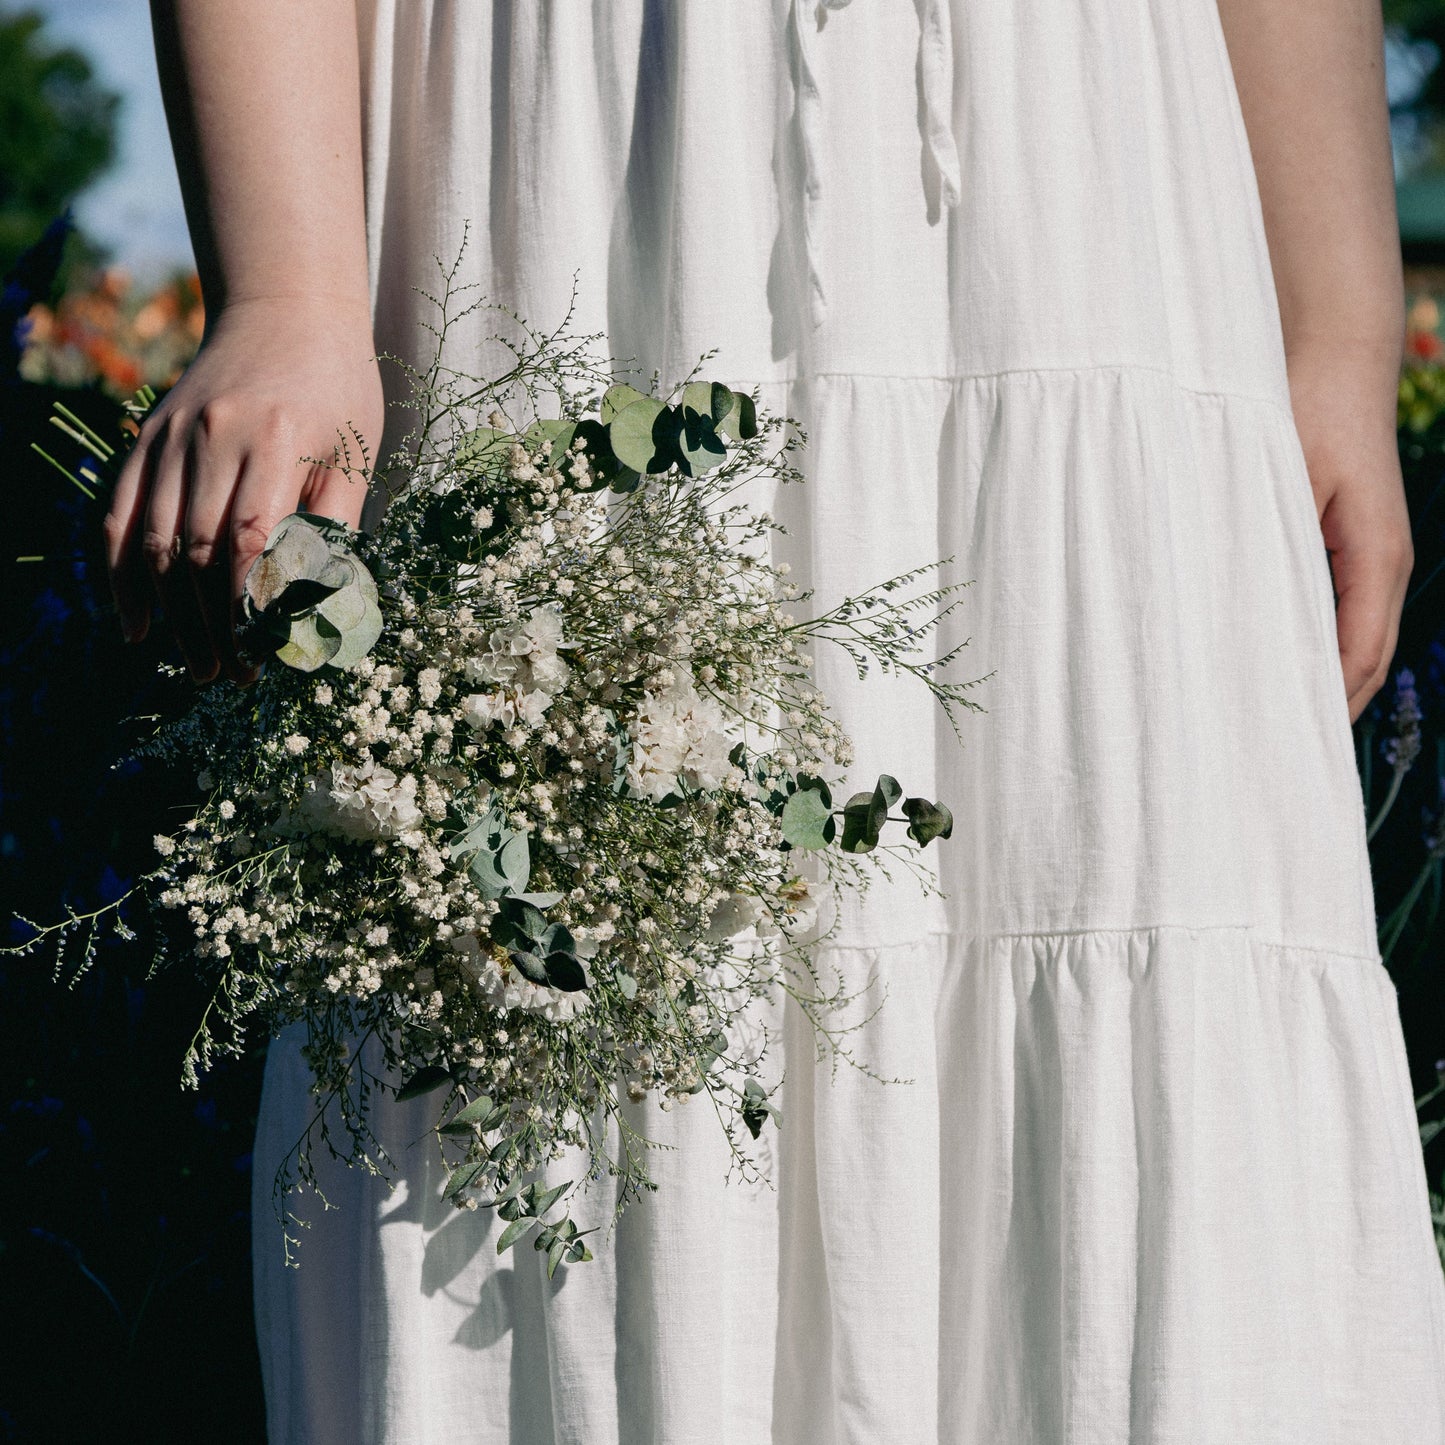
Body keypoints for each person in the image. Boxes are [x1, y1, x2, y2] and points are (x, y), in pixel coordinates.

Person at [110, 1, 1445, 1440]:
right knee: (560, 995)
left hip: (1098, 183)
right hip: (581, 158)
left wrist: (1338, 323)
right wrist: (290, 291)